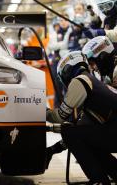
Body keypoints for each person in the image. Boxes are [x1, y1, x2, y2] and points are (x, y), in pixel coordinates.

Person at [47, 51, 117, 184]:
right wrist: (53, 149)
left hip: (114, 132)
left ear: (67, 69)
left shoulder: (80, 81)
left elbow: (60, 117)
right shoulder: (93, 82)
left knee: (70, 133)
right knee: (87, 139)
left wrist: (41, 111)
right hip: (113, 131)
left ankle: (98, 180)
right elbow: (83, 127)